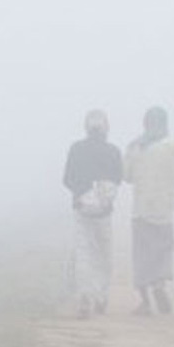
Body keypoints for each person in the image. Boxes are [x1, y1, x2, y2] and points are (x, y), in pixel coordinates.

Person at [62, 109, 123, 319]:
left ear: (86, 128)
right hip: (104, 213)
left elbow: (67, 179)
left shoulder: (76, 149)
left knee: (84, 253)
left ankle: (84, 297)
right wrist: (103, 196)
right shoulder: (113, 151)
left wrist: (82, 193)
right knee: (104, 255)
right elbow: (118, 178)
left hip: (82, 209)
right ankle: (101, 296)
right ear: (106, 128)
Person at [124, 106, 174, 315]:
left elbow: (127, 176)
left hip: (141, 210)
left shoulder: (135, 147)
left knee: (141, 256)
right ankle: (159, 284)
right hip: (164, 210)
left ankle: (145, 302)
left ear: (145, 123)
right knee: (162, 251)